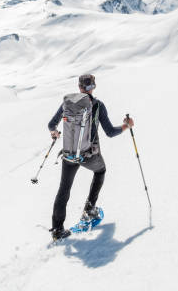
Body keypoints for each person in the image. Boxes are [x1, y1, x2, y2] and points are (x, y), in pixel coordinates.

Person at [48, 74, 134, 241]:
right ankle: (89, 210)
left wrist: (55, 132)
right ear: (92, 87)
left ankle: (57, 230)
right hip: (89, 154)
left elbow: (51, 124)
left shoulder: (68, 103)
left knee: (64, 189)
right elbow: (110, 132)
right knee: (100, 171)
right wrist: (126, 125)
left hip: (69, 153)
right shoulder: (98, 105)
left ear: (79, 87)